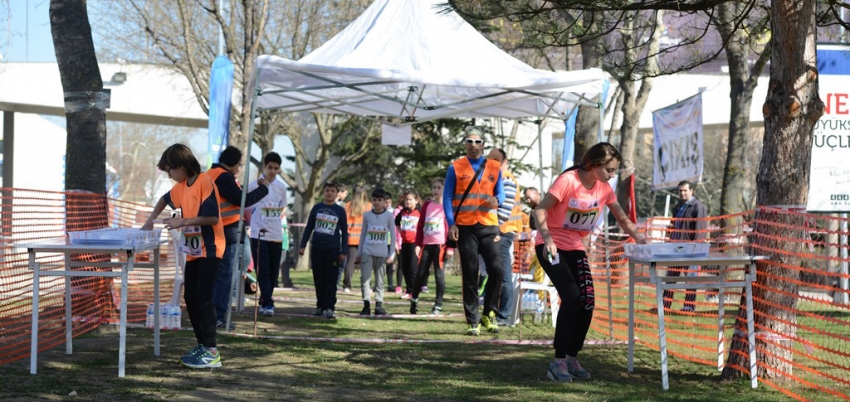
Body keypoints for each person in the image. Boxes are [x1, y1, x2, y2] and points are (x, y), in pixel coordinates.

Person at [534, 142, 647, 382]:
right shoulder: (568, 181)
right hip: (550, 246)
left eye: (615, 171)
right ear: (595, 165)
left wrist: (641, 238)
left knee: (587, 301)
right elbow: (540, 211)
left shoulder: (604, 188)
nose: (612, 175)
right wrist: (547, 239)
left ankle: (572, 357)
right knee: (572, 296)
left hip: (575, 247)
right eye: (610, 170)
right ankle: (558, 362)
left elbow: (623, 218)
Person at [141, 143, 226, 369]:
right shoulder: (181, 186)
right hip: (193, 252)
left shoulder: (204, 182)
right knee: (190, 298)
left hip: (211, 248)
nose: (169, 175)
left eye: (170, 169)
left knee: (204, 296)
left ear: (182, 165)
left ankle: (211, 351)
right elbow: (163, 199)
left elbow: (212, 219)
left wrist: (182, 221)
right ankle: (203, 345)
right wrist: (149, 221)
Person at [444, 126, 505, 336]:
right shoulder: (455, 167)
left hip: (489, 225)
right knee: (470, 272)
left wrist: (496, 200)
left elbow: (502, 195)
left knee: (497, 269)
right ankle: (472, 320)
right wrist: (451, 223)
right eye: (469, 141)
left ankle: (489, 313)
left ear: (483, 145)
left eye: (477, 141)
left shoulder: (495, 166)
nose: (473, 145)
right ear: (464, 144)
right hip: (465, 226)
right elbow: (447, 198)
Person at [205, 146, 269, 330]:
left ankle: (214, 314)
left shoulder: (211, 173)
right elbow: (242, 200)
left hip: (218, 230)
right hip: (227, 231)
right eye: (239, 165)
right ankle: (218, 316)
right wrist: (263, 190)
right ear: (232, 163)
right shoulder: (224, 177)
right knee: (225, 276)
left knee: (220, 275)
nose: (240, 169)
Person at [247, 152, 288, 318]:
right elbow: (247, 204)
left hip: (276, 233)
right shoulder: (254, 185)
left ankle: (265, 299)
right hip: (258, 233)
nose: (272, 171)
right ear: (264, 166)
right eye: (270, 167)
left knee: (272, 271)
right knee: (262, 268)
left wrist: (276, 216)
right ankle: (268, 303)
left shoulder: (281, 188)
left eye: (276, 168)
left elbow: (283, 207)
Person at [299, 182, 348, 319]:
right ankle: (320, 305)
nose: (329, 193)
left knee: (331, 279)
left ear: (337, 194)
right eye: (327, 190)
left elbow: (344, 231)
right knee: (318, 278)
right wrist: (303, 245)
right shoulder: (317, 208)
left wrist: (343, 251)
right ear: (323, 192)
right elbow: (309, 227)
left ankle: (329, 307)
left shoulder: (340, 211)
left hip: (333, 249)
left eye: (332, 191)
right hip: (317, 248)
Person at [488, 148, 523, 327]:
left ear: (505, 161)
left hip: (503, 230)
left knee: (503, 275)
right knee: (499, 274)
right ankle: (498, 312)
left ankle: (504, 315)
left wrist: (495, 230)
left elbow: (504, 209)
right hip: (502, 230)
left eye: (497, 160)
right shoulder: (499, 178)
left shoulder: (506, 179)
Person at [662, 180, 708, 312]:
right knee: (670, 279)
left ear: (691, 191)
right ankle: (665, 306)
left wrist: (695, 248)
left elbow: (700, 230)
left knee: (691, 279)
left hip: (691, 250)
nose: (682, 193)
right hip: (676, 249)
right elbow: (673, 226)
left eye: (685, 190)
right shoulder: (678, 206)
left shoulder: (698, 207)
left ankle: (689, 306)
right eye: (680, 191)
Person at [410, 178, 452, 315]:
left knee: (439, 274)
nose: (436, 190)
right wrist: (417, 244)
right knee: (421, 273)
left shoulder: (447, 205)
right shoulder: (427, 204)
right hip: (426, 244)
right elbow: (420, 224)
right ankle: (414, 300)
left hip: (440, 245)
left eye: (439, 188)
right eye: (434, 187)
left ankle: (438, 305)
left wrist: (450, 248)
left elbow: (452, 227)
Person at [355, 189, 397, 315]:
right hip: (367, 251)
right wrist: (359, 252)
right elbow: (363, 234)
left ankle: (379, 305)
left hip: (382, 252)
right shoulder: (367, 215)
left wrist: (391, 253)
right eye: (375, 200)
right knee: (365, 279)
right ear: (371, 201)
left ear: (385, 202)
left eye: (380, 200)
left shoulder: (389, 216)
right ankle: (366, 304)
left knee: (380, 280)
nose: (377, 203)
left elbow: (393, 236)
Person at [342, 183, 370, 293]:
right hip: (366, 240)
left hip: (351, 239)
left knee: (350, 263)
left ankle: (347, 285)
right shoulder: (369, 206)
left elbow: (345, 223)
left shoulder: (348, 205)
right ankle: (367, 284)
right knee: (367, 263)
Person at [395, 190, 421, 299]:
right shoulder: (402, 212)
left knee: (413, 268)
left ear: (416, 201)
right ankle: (408, 290)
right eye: (406, 199)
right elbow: (396, 223)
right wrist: (401, 232)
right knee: (405, 267)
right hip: (404, 244)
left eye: (410, 200)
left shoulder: (419, 212)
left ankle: (414, 291)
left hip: (414, 244)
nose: (408, 202)